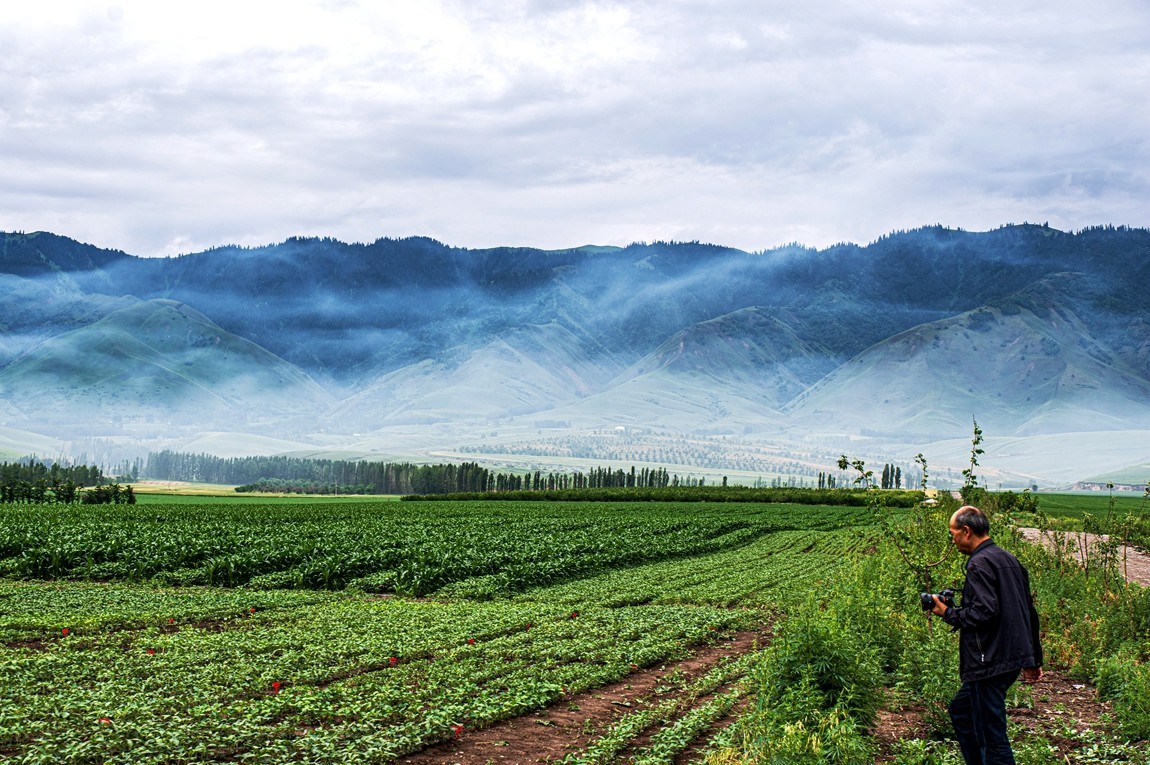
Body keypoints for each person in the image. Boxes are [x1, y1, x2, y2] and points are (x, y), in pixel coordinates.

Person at [929, 505, 1043, 765]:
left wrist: (947, 612)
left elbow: (983, 613)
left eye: (953, 533)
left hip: (989, 660)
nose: (953, 539)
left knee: (992, 736)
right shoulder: (1008, 559)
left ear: (966, 531)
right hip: (1008, 658)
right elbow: (1029, 611)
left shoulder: (979, 564)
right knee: (962, 711)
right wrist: (1032, 658)